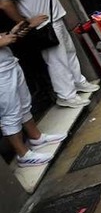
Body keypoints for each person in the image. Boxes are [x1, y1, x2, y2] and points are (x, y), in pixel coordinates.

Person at [0, 0, 99, 108]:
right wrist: (25, 22)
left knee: (68, 52)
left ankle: (78, 81)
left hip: (55, 18)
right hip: (44, 24)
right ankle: (66, 95)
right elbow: (5, 3)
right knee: (56, 59)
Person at [1, 21, 65, 166]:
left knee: (24, 103)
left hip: (9, 63)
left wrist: (11, 34)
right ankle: (23, 155)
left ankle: (36, 137)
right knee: (10, 113)